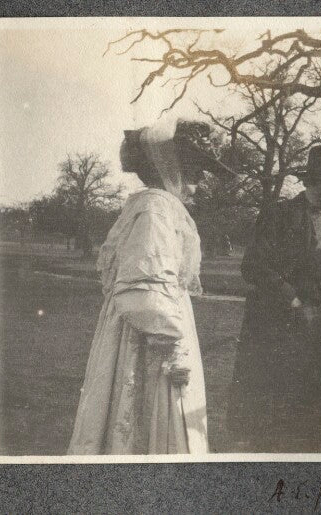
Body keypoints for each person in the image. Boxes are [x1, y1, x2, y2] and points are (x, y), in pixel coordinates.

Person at [68, 119, 231, 455]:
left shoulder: (160, 207)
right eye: (194, 172)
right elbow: (144, 287)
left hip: (160, 325)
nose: (198, 183)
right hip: (152, 338)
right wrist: (173, 349)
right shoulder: (155, 208)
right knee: (153, 418)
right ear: (171, 167)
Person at [227, 144, 321, 453]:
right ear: (318, 178)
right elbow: (253, 267)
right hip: (282, 329)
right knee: (277, 414)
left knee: (314, 414)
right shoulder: (279, 215)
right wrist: (291, 299)